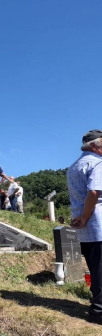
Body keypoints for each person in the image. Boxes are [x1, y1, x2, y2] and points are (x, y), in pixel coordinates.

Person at [67, 129, 102, 325]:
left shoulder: (74, 166)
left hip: (84, 229)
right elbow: (94, 192)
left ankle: (97, 305)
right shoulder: (97, 163)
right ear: (95, 145)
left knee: (95, 268)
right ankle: (98, 312)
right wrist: (85, 216)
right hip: (97, 223)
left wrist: (79, 218)